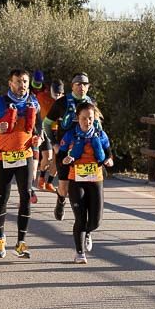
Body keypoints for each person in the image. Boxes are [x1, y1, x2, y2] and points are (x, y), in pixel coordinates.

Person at [0, 69, 41, 259]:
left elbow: (38, 125)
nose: (22, 85)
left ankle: (21, 243)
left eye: (25, 81)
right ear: (10, 83)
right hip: (4, 157)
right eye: (18, 81)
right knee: (2, 197)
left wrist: (39, 138)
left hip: (25, 156)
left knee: (26, 196)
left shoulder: (33, 102)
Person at [57, 102, 113, 263]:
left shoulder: (100, 134)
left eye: (90, 118)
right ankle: (79, 253)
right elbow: (60, 157)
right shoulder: (70, 136)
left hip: (96, 180)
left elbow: (109, 153)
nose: (87, 122)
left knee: (95, 221)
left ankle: (88, 232)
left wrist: (109, 160)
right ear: (77, 118)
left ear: (94, 118)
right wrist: (65, 160)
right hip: (76, 179)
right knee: (80, 218)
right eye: (83, 118)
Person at [46, 73, 97, 221]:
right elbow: (47, 124)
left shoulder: (92, 102)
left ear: (89, 87)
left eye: (85, 84)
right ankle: (61, 200)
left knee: (87, 185)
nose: (82, 87)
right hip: (65, 150)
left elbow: (98, 126)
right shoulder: (61, 103)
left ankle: (83, 219)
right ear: (72, 86)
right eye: (78, 84)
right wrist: (54, 144)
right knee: (64, 186)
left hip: (87, 152)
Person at [35, 78, 63, 194]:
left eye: (60, 94)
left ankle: (49, 182)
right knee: (48, 157)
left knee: (58, 159)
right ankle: (41, 177)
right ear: (50, 90)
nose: (57, 96)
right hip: (45, 130)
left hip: (59, 131)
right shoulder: (41, 97)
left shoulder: (64, 100)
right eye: (55, 93)